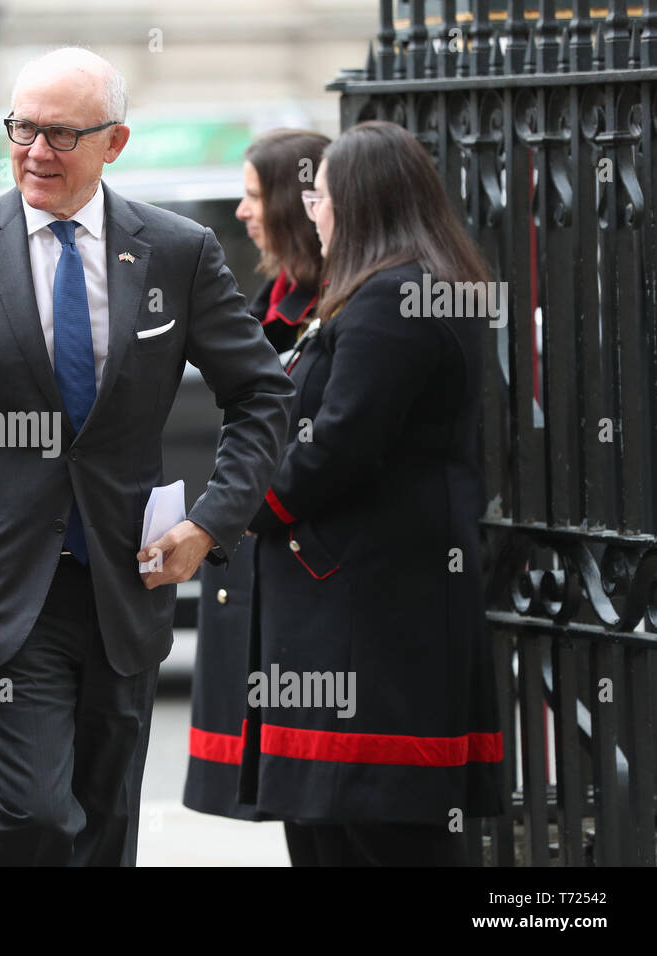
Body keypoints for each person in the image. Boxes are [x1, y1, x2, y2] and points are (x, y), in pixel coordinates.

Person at [0, 47, 294, 866]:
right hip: (2, 586)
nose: (34, 152)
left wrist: (210, 524)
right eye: (22, 128)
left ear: (115, 142)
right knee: (35, 814)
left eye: (60, 134)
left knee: (104, 826)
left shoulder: (176, 250)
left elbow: (263, 394)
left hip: (127, 580)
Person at [241, 120, 504, 865]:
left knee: (378, 833)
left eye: (319, 197)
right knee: (331, 828)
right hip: (365, 602)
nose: (313, 213)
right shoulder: (400, 286)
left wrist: (237, 514)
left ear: (356, 203)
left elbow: (340, 444)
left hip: (375, 610)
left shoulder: (397, 296)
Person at [183, 129, 327, 863]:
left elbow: (328, 451)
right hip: (266, 569)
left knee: (332, 801)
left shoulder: (340, 304)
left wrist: (225, 519)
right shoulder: (278, 301)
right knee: (298, 799)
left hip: (317, 578)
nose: (242, 213)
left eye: (251, 195)